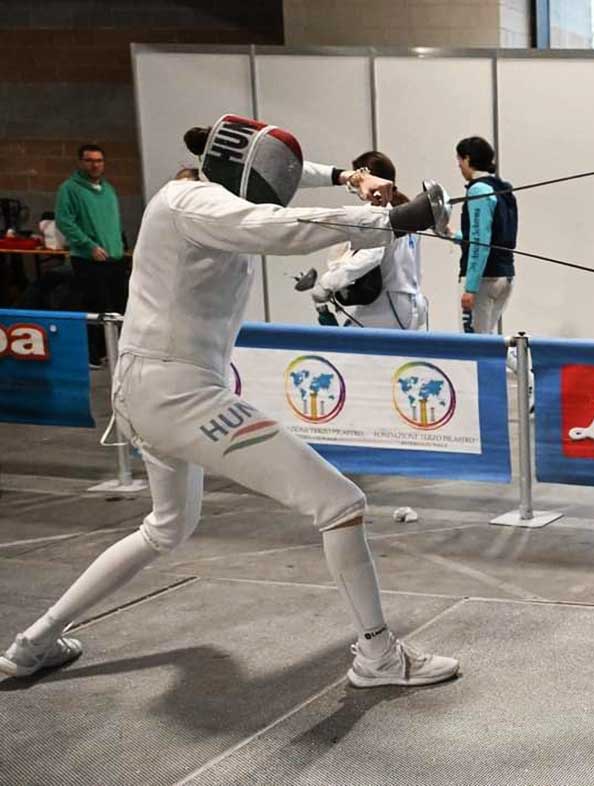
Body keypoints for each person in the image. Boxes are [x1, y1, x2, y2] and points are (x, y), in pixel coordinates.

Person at [0, 115, 458, 690]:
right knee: (340, 503)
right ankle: (379, 657)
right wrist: (393, 219)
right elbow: (276, 226)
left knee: (166, 528)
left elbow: (284, 181)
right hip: (178, 395)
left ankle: (31, 644)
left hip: (156, 390)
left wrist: (348, 175)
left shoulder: (206, 188)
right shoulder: (192, 205)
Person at [309, 151, 428, 330]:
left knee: (346, 352)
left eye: (357, 178)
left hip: (388, 307)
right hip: (409, 305)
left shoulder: (377, 212)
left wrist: (327, 284)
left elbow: (370, 256)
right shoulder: (405, 210)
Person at [56, 144, 128, 368]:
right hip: (88, 260)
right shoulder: (70, 189)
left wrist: (119, 248)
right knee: (95, 307)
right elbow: (65, 222)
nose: (95, 165)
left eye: (99, 160)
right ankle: (92, 355)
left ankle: (111, 353)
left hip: (113, 259)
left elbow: (113, 224)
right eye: (89, 160)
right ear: (81, 162)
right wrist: (89, 246)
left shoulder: (108, 190)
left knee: (117, 307)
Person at [453, 136, 517, 335]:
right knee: (489, 343)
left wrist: (470, 288)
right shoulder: (502, 188)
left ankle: (523, 367)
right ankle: (522, 366)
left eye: (460, 160)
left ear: (468, 159)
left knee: (475, 346)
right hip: (504, 276)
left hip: (485, 279)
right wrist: (451, 234)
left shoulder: (478, 190)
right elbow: (495, 233)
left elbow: (480, 242)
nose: (459, 165)